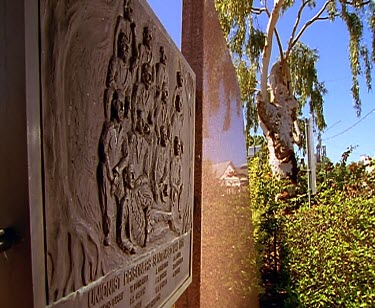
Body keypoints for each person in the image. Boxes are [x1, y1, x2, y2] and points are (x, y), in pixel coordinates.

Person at [98, 91, 128, 246]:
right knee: (107, 205)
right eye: (120, 107)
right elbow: (104, 151)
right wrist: (110, 172)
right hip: (106, 171)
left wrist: (117, 171)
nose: (122, 110)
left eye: (124, 107)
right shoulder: (109, 129)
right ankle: (107, 233)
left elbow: (126, 156)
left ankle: (120, 237)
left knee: (122, 200)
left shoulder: (123, 133)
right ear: (114, 108)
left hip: (117, 173)